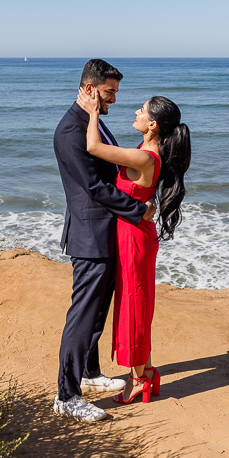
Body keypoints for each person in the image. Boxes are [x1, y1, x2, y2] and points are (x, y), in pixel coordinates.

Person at [52, 59, 157, 422]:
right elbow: (95, 187)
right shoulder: (70, 130)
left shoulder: (93, 124)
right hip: (89, 234)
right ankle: (66, 394)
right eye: (109, 92)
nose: (113, 99)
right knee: (82, 316)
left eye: (115, 92)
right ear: (88, 89)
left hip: (104, 231)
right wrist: (137, 209)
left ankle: (89, 373)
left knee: (96, 313)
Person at [76, 87, 191, 406]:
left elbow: (92, 146)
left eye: (142, 111)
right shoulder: (145, 149)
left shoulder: (144, 156)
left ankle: (138, 379)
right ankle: (148, 371)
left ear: (154, 124)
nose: (136, 114)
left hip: (134, 238)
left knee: (134, 305)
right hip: (135, 233)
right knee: (135, 302)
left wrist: (92, 112)